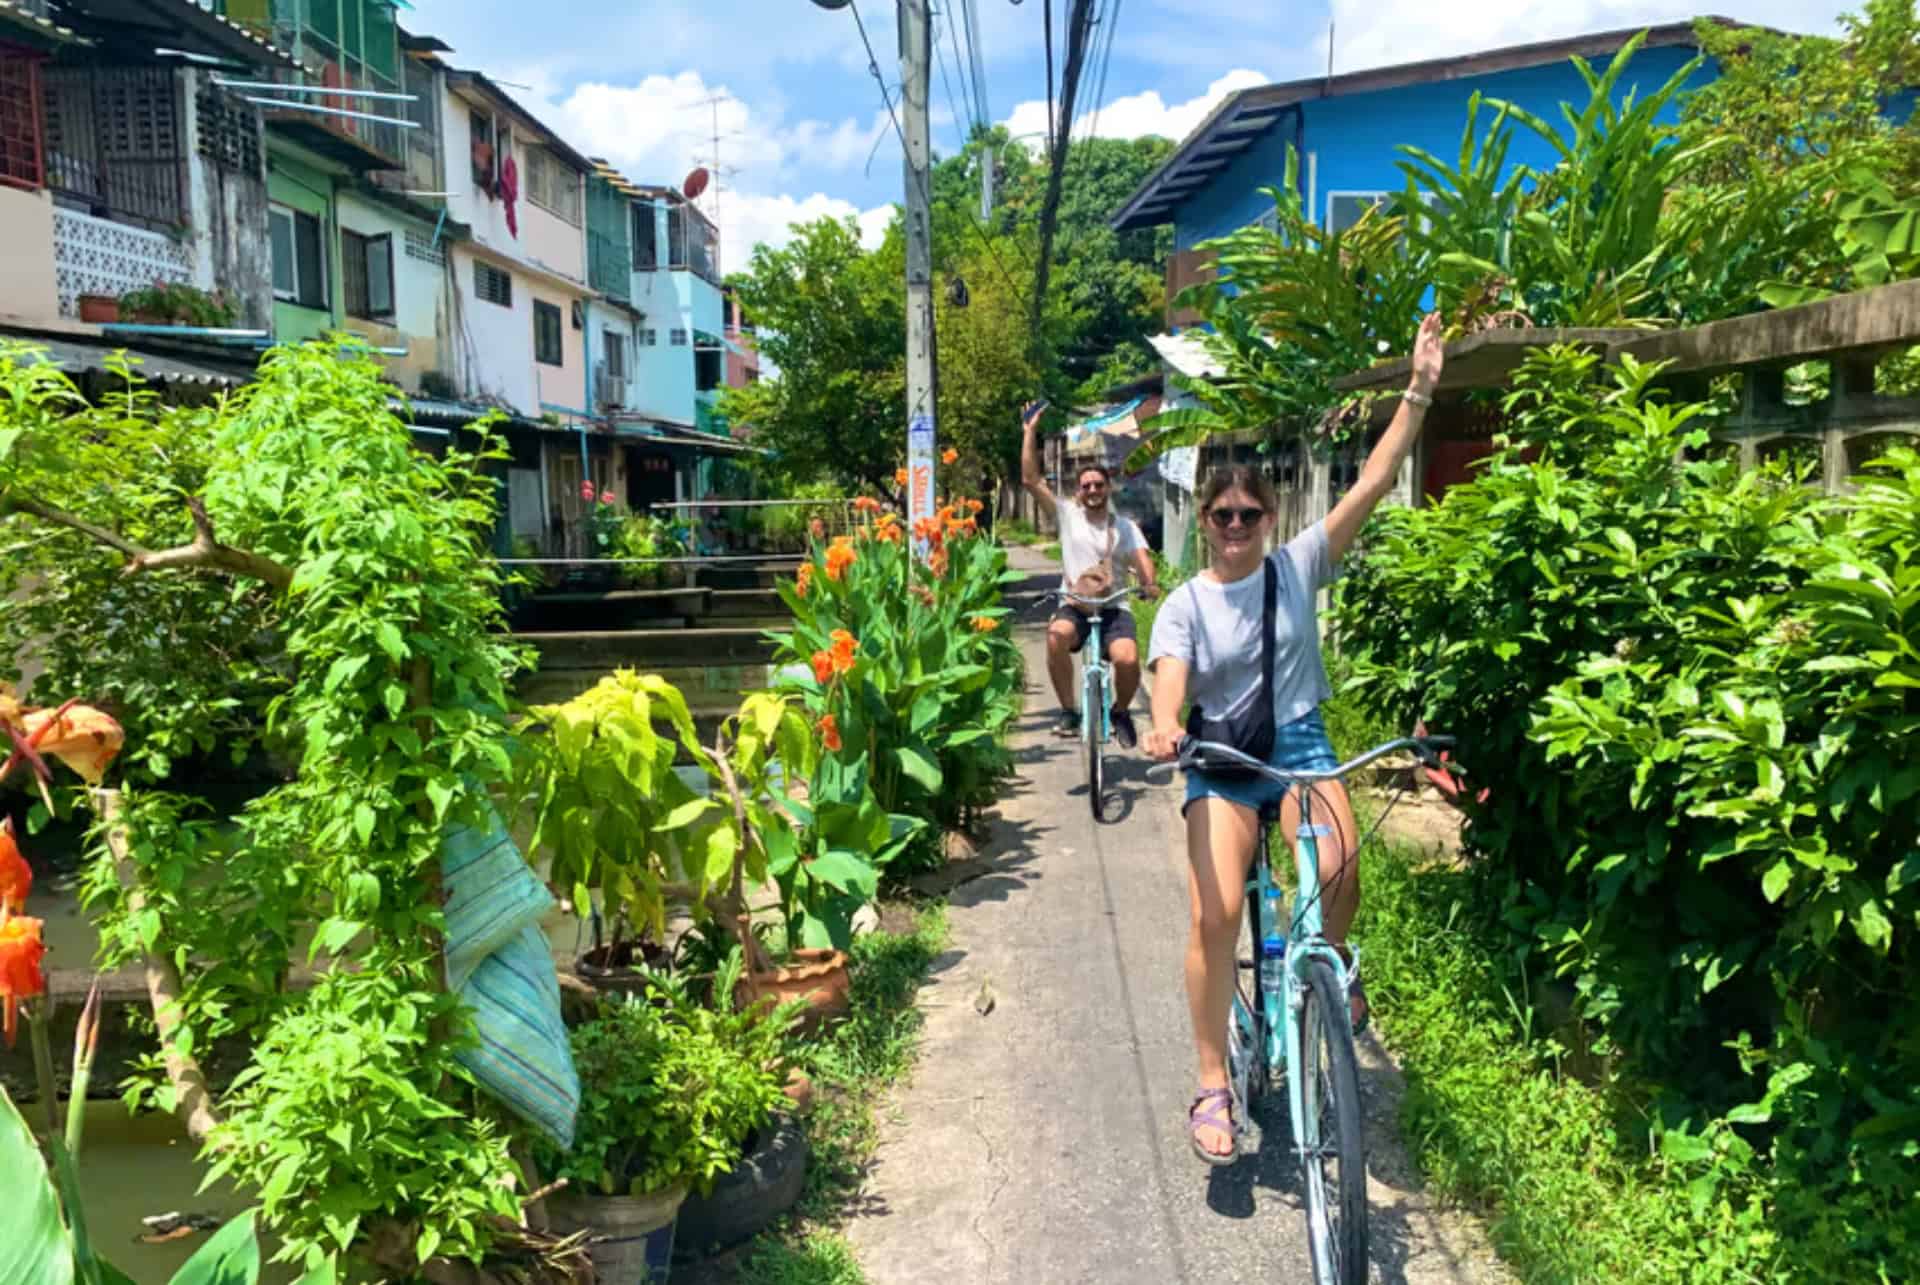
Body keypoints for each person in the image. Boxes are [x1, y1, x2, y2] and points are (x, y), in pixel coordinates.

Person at [1143, 313, 1446, 1165]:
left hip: (1304, 745)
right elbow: (1170, 679)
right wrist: (1166, 726)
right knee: (1218, 911)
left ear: (1270, 516)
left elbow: (1375, 481)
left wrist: (1419, 389)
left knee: (1342, 861)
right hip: (1223, 761)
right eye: (1221, 513)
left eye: (1249, 511)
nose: (1235, 524)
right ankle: (1212, 1083)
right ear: (1204, 520)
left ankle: (1331, 968)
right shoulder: (1185, 603)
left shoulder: (1299, 563)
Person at [1020, 401, 1160, 746]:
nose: (1093, 490)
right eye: (1087, 486)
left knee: (1127, 660)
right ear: (1078, 491)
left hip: (1114, 607)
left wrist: (1149, 584)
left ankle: (1121, 710)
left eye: (1099, 484)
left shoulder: (1124, 526)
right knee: (1056, 636)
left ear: (1108, 488)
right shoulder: (1068, 516)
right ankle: (1069, 710)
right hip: (1076, 604)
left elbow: (1142, 559)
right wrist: (1029, 432)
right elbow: (1031, 479)